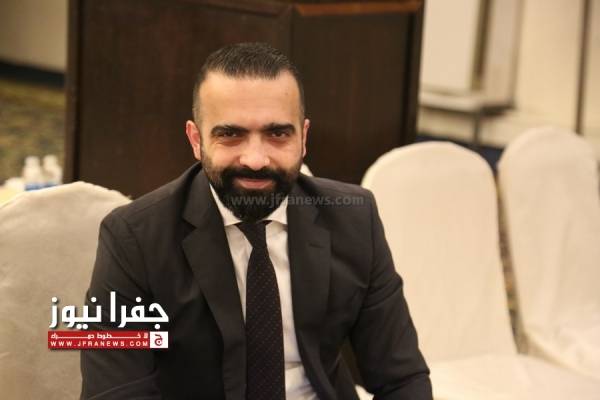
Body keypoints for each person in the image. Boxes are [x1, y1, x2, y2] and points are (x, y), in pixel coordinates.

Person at [80, 42, 432, 400]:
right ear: (196, 139)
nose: (255, 159)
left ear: (303, 138)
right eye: (230, 134)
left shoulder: (353, 218)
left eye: (277, 134)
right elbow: (114, 394)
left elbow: (402, 379)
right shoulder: (133, 238)